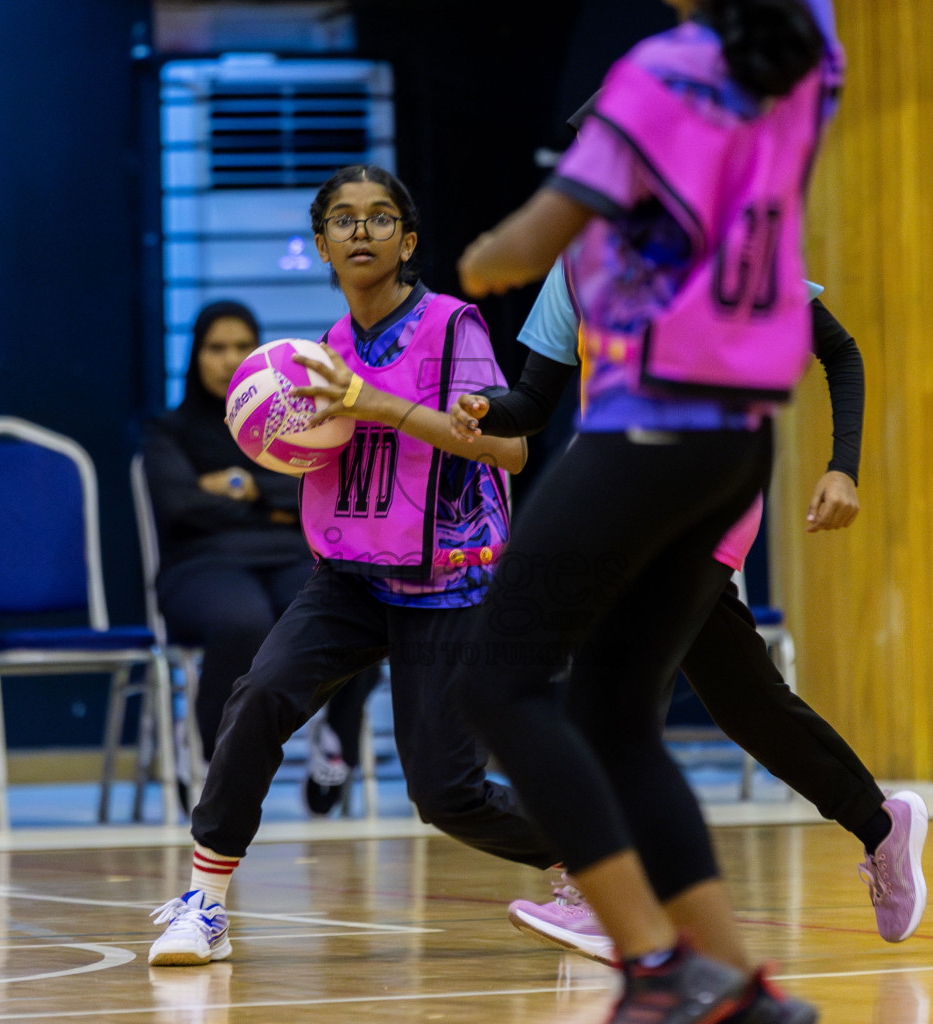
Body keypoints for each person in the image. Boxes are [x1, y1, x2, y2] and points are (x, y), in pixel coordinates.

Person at [450, 1, 843, 1021]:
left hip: (653, 423)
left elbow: (533, 235)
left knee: (497, 682)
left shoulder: (660, 70)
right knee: (614, 711)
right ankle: (735, 985)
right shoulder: (805, 63)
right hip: (737, 437)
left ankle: (655, 968)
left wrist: (489, 251)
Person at [146, 164, 560, 967]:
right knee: (260, 693)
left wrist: (381, 409)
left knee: (444, 795)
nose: (360, 231)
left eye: (378, 219)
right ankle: (205, 901)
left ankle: (585, 856)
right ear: (322, 246)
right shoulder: (323, 348)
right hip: (349, 576)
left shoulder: (450, 328)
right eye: (343, 220)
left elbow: (509, 449)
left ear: (406, 242)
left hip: (447, 582)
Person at [457, 265, 927, 961]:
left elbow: (839, 351)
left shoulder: (719, 233)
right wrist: (485, 410)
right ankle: (878, 822)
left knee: (610, 699)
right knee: (746, 702)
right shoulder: (575, 264)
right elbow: (533, 398)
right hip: (609, 494)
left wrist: (842, 467)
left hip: (703, 491)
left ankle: (610, 898)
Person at [142, 300, 379, 816]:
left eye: (242, 347)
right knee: (244, 622)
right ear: (194, 356)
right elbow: (177, 505)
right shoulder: (170, 431)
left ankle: (335, 741)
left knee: (355, 610)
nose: (230, 360)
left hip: (287, 556)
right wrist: (267, 498)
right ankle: (206, 752)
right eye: (216, 347)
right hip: (200, 568)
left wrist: (242, 491)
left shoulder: (294, 421)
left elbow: (308, 487)